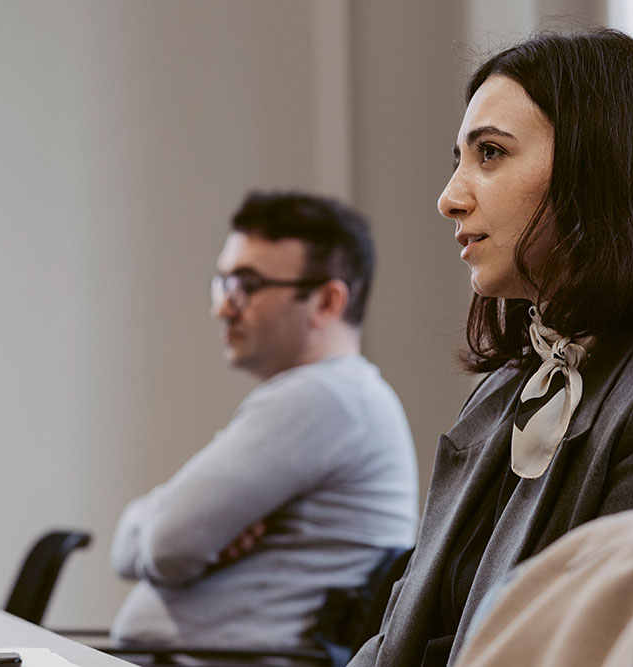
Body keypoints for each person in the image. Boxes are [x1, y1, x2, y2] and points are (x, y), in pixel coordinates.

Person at [348, 29, 633, 667]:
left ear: (603, 168)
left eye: (491, 153)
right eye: (459, 158)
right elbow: (401, 638)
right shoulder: (505, 390)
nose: (450, 197)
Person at [109, 191, 419, 649]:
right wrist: (172, 531)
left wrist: (162, 528)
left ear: (327, 301)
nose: (223, 307)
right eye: (223, 283)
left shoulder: (322, 397)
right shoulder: (341, 399)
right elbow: (159, 543)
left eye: (247, 285)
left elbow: (165, 547)